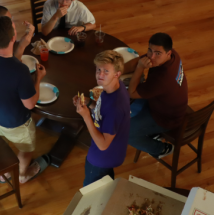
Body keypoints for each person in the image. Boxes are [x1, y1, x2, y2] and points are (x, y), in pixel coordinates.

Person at [0, 16, 47, 183]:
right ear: (14, 37)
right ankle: (22, 175)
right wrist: (38, 79)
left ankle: (4, 173)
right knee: (26, 149)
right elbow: (30, 104)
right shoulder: (20, 70)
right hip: (15, 122)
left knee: (0, 143)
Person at [123, 33, 188, 158]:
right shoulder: (172, 54)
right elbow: (140, 60)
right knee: (125, 106)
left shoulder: (162, 79)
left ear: (168, 53)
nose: (151, 57)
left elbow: (132, 92)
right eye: (150, 50)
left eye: (157, 53)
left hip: (166, 118)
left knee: (126, 133)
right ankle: (151, 132)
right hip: (165, 103)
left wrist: (140, 68)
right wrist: (116, 70)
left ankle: (162, 149)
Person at [74, 50, 130, 186]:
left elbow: (103, 145)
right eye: (98, 69)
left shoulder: (115, 107)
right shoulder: (114, 87)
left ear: (117, 74)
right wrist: (89, 103)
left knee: (90, 191)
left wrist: (86, 116)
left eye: (106, 71)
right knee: (105, 181)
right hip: (113, 154)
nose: (100, 74)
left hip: (102, 158)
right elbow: (102, 112)